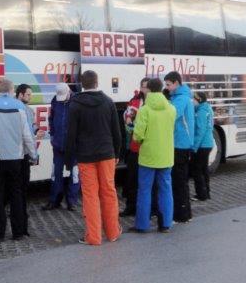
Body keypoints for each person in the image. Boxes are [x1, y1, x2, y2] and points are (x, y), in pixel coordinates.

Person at [65, 70, 122, 246]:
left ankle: (93, 236)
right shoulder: (108, 102)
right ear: (97, 82)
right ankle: (113, 232)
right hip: (107, 154)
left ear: (82, 84)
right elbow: (116, 132)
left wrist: (69, 160)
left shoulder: (75, 105)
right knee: (109, 192)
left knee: (90, 196)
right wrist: (117, 153)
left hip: (85, 156)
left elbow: (71, 135)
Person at [0, 79, 37, 240]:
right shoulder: (21, 107)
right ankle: (18, 232)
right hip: (16, 159)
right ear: (12, 91)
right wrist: (33, 154)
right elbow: (27, 135)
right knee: (16, 195)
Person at [130, 78, 176, 233]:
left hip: (148, 157)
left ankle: (142, 225)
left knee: (144, 190)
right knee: (165, 190)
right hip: (166, 156)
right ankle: (165, 224)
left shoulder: (144, 110)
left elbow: (138, 135)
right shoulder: (171, 109)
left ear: (148, 89)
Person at [164, 71, 195, 223]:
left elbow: (171, 115)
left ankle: (181, 214)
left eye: (168, 84)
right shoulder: (180, 97)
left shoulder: (181, 99)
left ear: (176, 83)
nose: (167, 87)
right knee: (180, 180)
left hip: (180, 144)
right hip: (180, 143)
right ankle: (185, 213)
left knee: (178, 180)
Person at [43, 83, 79, 211]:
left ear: (69, 91)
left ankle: (72, 201)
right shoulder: (55, 100)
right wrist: (52, 135)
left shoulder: (77, 102)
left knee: (74, 175)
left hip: (73, 146)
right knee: (55, 173)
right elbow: (51, 118)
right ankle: (54, 200)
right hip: (58, 144)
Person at [16, 83, 44, 234]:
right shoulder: (17, 109)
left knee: (23, 187)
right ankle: (20, 221)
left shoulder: (29, 110)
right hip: (20, 153)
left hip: (26, 153)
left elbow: (32, 126)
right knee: (18, 188)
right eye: (28, 94)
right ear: (20, 94)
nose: (30, 97)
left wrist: (38, 130)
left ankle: (21, 217)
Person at [120, 79, 149, 217]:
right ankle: (130, 207)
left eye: (147, 87)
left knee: (146, 181)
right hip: (135, 146)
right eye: (143, 87)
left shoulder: (154, 104)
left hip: (148, 147)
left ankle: (148, 209)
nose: (145, 90)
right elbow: (126, 117)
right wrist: (128, 118)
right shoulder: (135, 101)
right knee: (131, 179)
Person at [191, 91, 215, 200]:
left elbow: (200, 131)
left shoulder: (201, 112)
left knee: (197, 170)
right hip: (208, 143)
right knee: (204, 169)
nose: (193, 101)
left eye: (194, 99)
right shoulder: (208, 109)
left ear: (199, 100)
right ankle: (207, 192)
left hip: (202, 145)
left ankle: (201, 194)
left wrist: (194, 147)